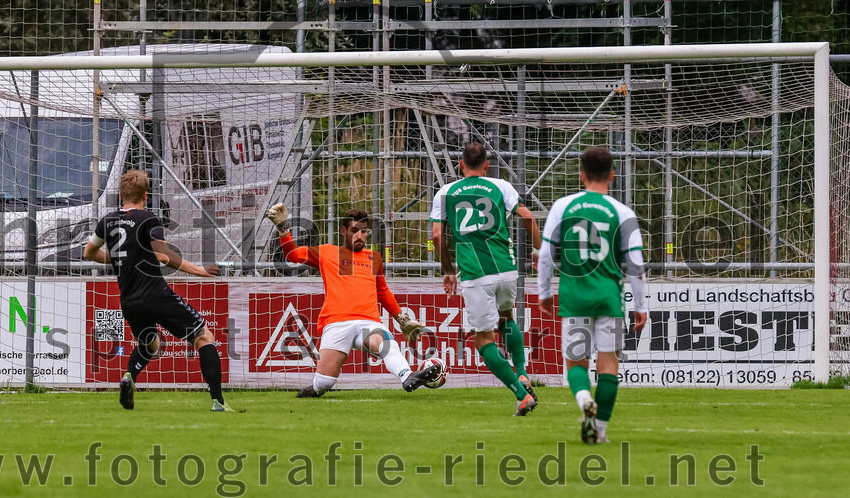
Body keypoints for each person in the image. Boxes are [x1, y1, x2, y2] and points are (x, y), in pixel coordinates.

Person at [83, 169, 230, 411]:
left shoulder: (107, 221)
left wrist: (122, 258)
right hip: (156, 294)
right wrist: (199, 270)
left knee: (150, 344)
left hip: (130, 301)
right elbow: (166, 255)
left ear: (120, 194)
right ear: (145, 194)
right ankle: (218, 402)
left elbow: (89, 252)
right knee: (204, 337)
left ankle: (129, 376)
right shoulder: (148, 218)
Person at [266, 204, 439, 396]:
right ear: (344, 231)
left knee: (385, 342)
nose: (360, 236)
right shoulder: (327, 252)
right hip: (336, 323)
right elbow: (292, 255)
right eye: (355, 231)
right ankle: (315, 389)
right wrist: (283, 229)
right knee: (325, 382)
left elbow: (382, 292)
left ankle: (407, 376)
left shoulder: (374, 258)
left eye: (364, 232)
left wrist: (402, 319)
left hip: (368, 322)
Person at [537, 146, 648, 444]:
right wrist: (640, 306)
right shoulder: (622, 212)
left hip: (574, 298)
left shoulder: (563, 206)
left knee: (575, 363)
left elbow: (546, 255)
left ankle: (585, 399)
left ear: (581, 175)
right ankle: (599, 430)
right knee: (609, 364)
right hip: (608, 298)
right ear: (612, 175)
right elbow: (636, 264)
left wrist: (544, 292)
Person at [430, 142, 541, 416]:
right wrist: (538, 251)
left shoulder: (446, 192)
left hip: (477, 274)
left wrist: (447, 269)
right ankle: (523, 372)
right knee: (507, 318)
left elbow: (436, 236)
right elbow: (527, 216)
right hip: (506, 268)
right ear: (487, 165)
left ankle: (520, 393)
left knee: (483, 340)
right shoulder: (500, 185)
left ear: (460, 165)